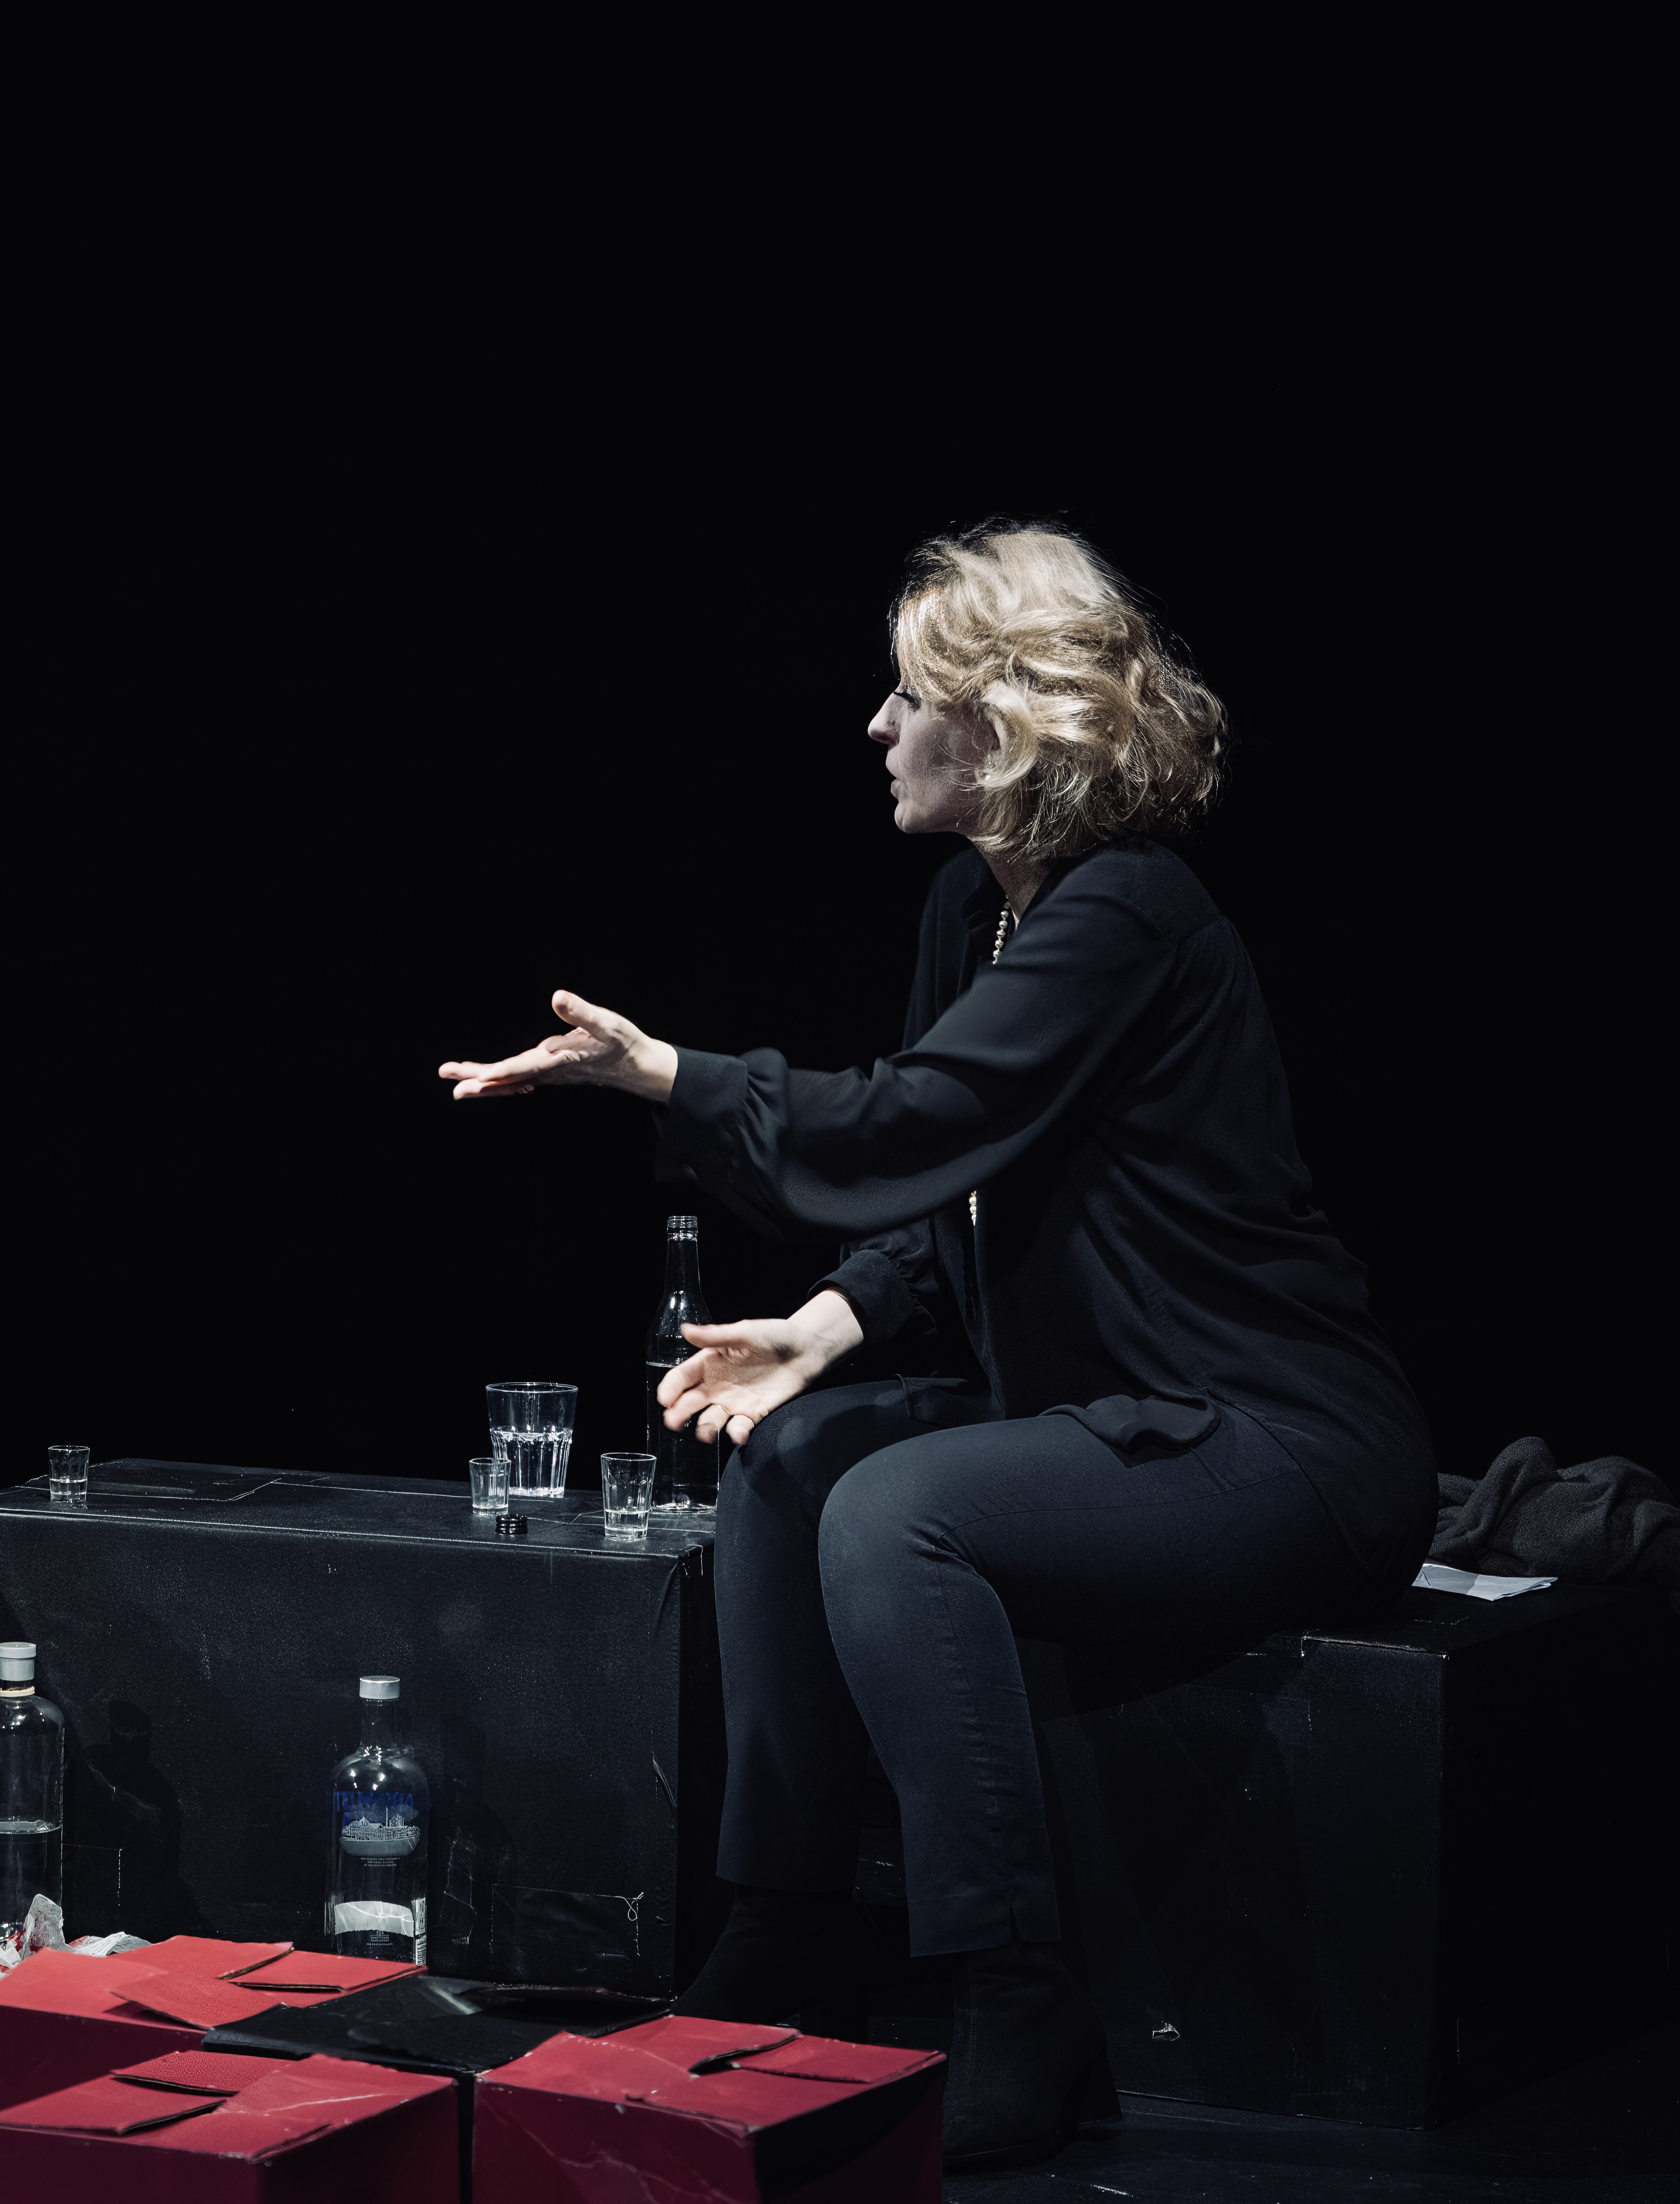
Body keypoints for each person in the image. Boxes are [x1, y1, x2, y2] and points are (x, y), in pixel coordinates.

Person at [437, 523, 1433, 2164]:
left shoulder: (1132, 913)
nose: (879, 727)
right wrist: (824, 1330)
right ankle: (787, 1923)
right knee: (791, 1460)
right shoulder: (974, 912)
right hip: (1116, 1416)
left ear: (1010, 723)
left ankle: (1016, 1984)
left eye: (911, 697)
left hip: (1279, 1438)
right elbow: (952, 1181)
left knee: (902, 1512)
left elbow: (911, 1119)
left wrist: (668, 1075)